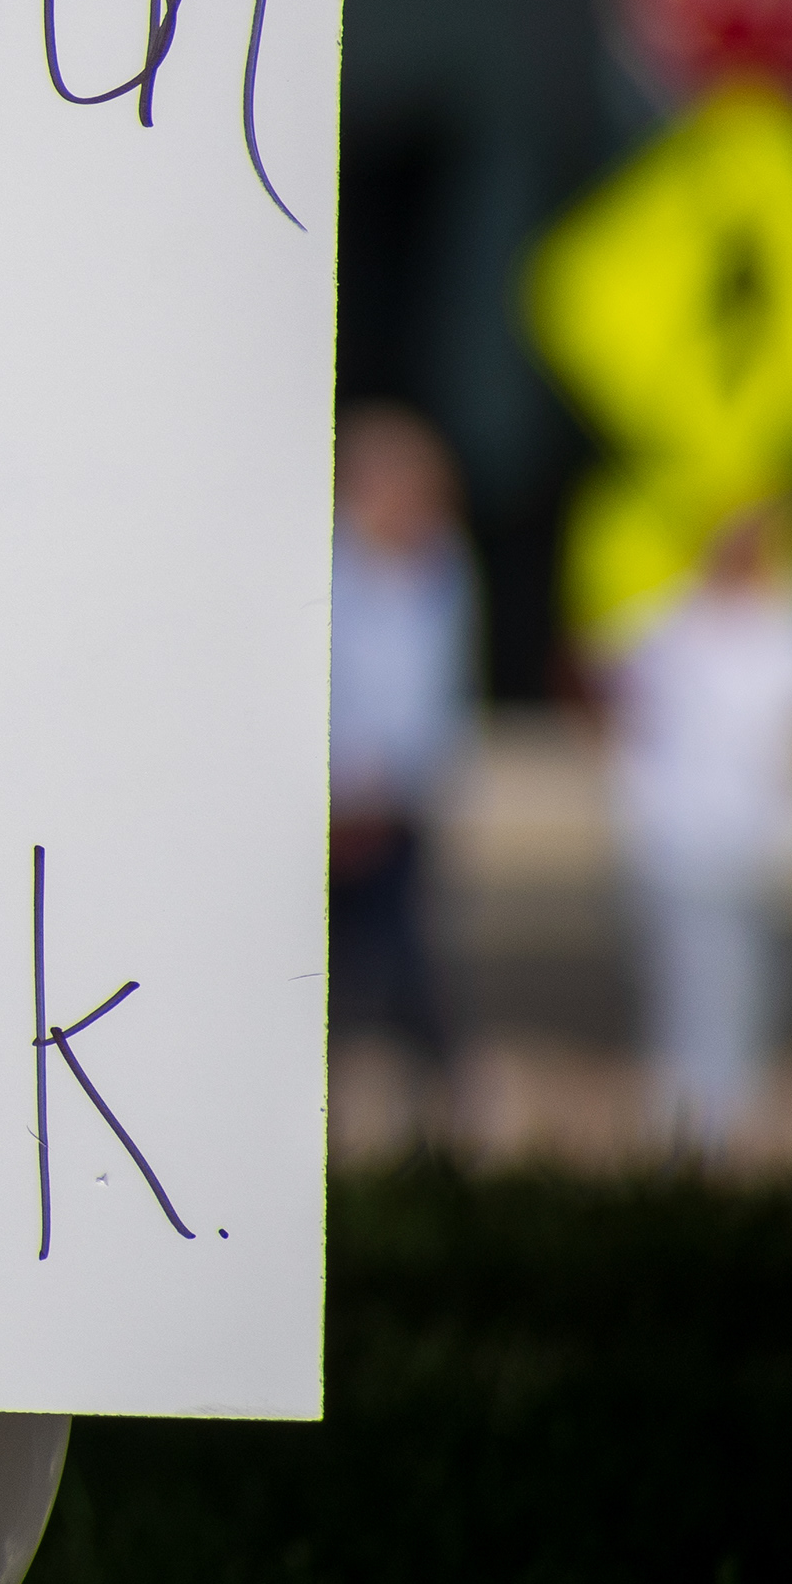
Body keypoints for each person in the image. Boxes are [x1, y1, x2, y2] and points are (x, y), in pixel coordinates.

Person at [605, 505, 792, 1154]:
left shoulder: (782, 628)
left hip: (762, 849)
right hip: (682, 843)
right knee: (694, 995)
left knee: (751, 998)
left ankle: (722, 1131)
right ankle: (689, 1138)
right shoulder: (665, 631)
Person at [329, 403, 474, 1119]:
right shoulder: (328, 570)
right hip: (334, 811)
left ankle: (434, 1119)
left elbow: (437, 691)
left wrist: (405, 782)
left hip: (401, 807)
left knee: (410, 967)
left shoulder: (442, 568)